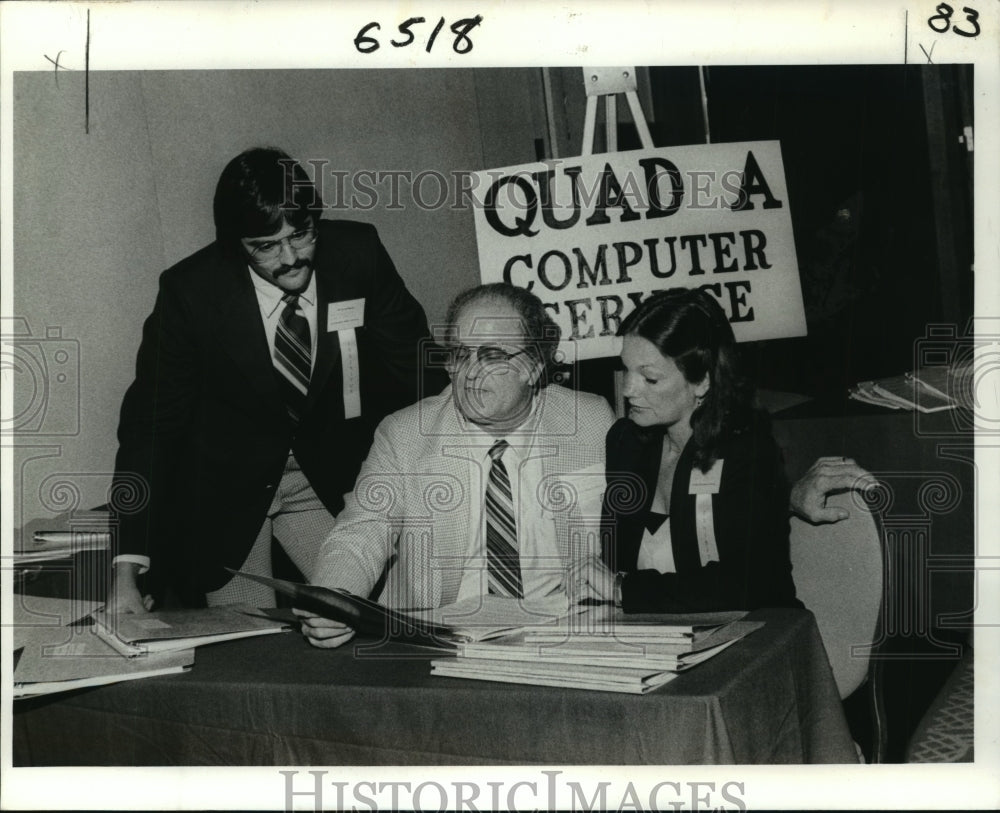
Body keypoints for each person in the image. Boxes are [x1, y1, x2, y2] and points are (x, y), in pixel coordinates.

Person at [107, 147, 438, 612]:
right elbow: (150, 430)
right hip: (225, 493)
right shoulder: (190, 293)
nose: (289, 259)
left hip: (323, 476)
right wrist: (125, 571)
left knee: (376, 615)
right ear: (235, 244)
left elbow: (419, 371)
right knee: (248, 642)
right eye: (265, 246)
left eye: (301, 235)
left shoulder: (356, 255)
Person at [302, 282, 616, 648]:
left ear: (533, 366)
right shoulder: (406, 435)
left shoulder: (592, 421)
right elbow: (362, 531)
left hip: (558, 632)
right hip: (438, 639)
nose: (470, 373)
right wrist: (334, 598)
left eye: (491, 356)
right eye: (461, 354)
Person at [574, 288, 805, 613]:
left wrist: (622, 589)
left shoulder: (747, 452)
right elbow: (616, 560)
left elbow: (748, 585)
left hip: (752, 635)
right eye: (626, 369)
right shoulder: (625, 441)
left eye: (649, 378)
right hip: (657, 634)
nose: (628, 389)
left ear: (703, 382)